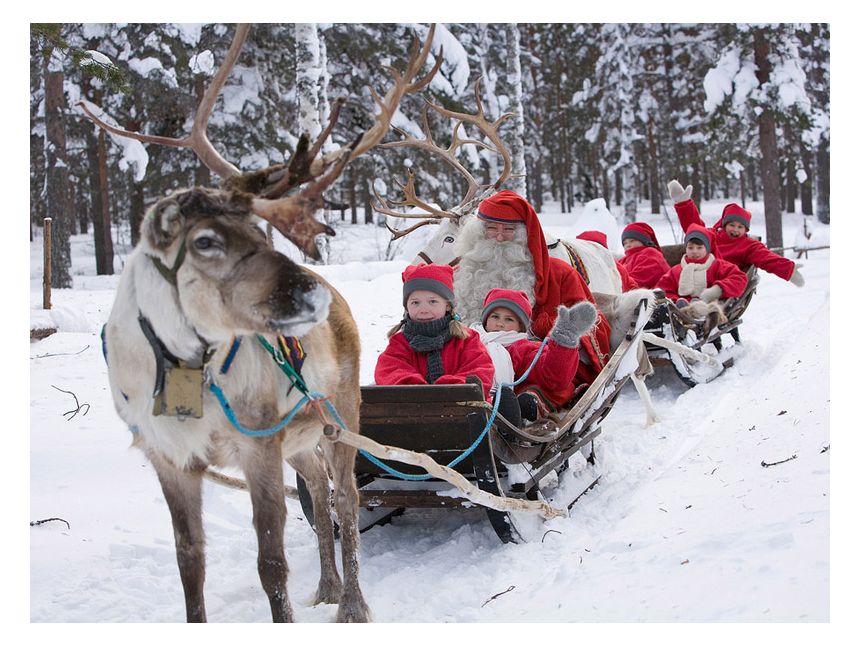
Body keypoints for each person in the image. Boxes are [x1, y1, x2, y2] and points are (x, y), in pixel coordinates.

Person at [452, 190, 612, 386]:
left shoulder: (561, 274)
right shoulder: (460, 275)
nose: (499, 237)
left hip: (532, 373)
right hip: (465, 370)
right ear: (477, 232)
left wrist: (553, 330)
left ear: (525, 234)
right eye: (491, 228)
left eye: (509, 229)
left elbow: (593, 328)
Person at [473, 288, 598, 423]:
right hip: (473, 395)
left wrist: (563, 342)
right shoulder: (472, 342)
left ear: (520, 327)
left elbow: (552, 375)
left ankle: (521, 413)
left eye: (509, 319)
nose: (500, 323)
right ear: (485, 320)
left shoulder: (522, 348)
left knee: (530, 395)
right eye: (495, 316)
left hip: (509, 401)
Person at [374, 263, 495, 400]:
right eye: (415, 303)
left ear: (447, 305)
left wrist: (446, 390)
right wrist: (416, 389)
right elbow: (390, 369)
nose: (424, 310)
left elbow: (480, 369)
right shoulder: (400, 343)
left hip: (461, 406)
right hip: (412, 407)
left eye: (432, 302)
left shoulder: (466, 339)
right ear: (406, 307)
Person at [667, 179, 805, 287]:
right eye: (732, 225)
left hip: (721, 279)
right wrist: (684, 204)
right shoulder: (713, 235)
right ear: (724, 225)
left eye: (740, 227)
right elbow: (694, 228)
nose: (735, 229)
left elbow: (766, 258)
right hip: (696, 273)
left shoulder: (748, 246)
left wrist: (788, 269)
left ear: (746, 230)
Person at [655, 224, 748, 307]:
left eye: (699, 248)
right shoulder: (676, 270)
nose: (695, 251)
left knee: (710, 308)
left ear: (707, 249)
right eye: (690, 248)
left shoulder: (717, 265)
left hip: (711, 305)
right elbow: (663, 289)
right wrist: (676, 301)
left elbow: (739, 278)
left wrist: (717, 290)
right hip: (682, 310)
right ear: (686, 249)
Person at [617, 222, 671, 290]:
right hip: (628, 292)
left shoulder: (650, 254)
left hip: (655, 294)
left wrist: (616, 283)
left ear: (644, 241)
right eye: (625, 243)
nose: (628, 245)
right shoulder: (624, 260)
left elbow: (638, 281)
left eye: (632, 241)